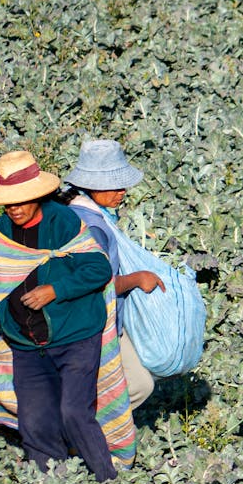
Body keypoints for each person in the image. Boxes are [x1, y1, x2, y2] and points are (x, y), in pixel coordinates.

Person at [0, 150, 127, 482]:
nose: (15, 208)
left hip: (76, 337)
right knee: (35, 421)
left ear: (38, 195)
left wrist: (55, 290)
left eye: (21, 200)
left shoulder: (64, 222)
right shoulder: (2, 234)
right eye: (8, 203)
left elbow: (97, 268)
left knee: (74, 413)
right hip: (27, 344)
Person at [62, 139, 164, 410]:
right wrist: (137, 279)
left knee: (132, 385)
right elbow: (92, 283)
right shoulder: (91, 225)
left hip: (103, 321)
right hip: (92, 326)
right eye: (114, 185)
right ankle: (84, 437)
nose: (122, 191)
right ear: (92, 186)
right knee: (136, 386)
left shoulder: (92, 213)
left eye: (123, 184)